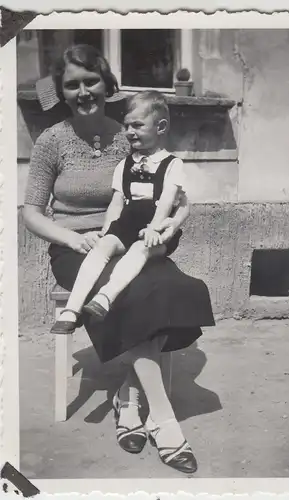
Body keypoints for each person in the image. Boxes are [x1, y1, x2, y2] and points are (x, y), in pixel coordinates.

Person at [23, 44, 215, 474]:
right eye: (72, 84)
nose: (83, 91)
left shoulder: (131, 133)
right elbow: (31, 213)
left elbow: (173, 195)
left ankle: (127, 397)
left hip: (134, 240)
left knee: (172, 288)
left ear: (107, 84)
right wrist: (73, 241)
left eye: (90, 81)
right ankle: (165, 423)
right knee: (131, 298)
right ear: (62, 92)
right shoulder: (51, 142)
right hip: (77, 248)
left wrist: (167, 225)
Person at [51, 90, 188, 334]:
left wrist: (154, 228)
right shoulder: (125, 164)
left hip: (156, 227)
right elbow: (117, 200)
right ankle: (72, 309)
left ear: (161, 127)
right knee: (103, 247)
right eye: (126, 125)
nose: (129, 131)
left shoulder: (172, 164)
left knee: (140, 249)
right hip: (129, 220)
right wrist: (108, 230)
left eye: (137, 125)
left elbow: (167, 200)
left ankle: (106, 296)